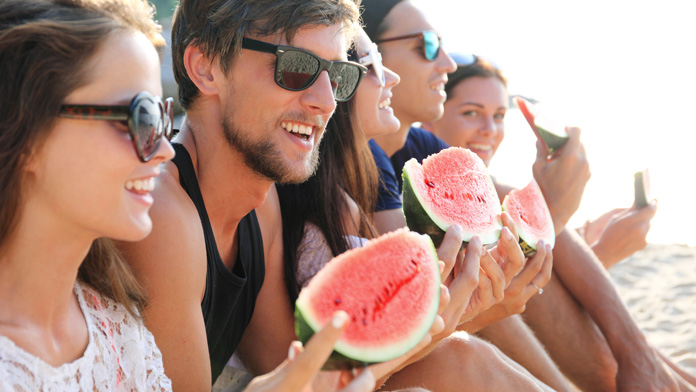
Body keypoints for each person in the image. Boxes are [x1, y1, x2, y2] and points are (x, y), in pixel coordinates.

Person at [363, 1, 696, 390]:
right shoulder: (363, 154)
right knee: (477, 330)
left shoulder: (417, 142)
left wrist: (635, 351)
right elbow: (431, 290)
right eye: (429, 46)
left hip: (455, 324)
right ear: (367, 55)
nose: (447, 64)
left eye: (500, 115)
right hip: (411, 346)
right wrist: (556, 213)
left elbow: (504, 215)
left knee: (639, 363)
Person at [115, 0, 390, 390]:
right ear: (205, 68)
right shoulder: (161, 212)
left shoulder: (261, 208)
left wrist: (441, 320)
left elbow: (291, 373)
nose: (327, 102)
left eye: (338, 76)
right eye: (296, 67)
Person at [269, 27, 555, 392]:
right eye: (369, 65)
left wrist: (458, 313)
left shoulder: (350, 190)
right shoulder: (310, 201)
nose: (390, 76)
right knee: (462, 355)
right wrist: (470, 315)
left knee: (464, 353)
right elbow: (309, 373)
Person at [0, 0, 174, 389]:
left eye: (162, 118)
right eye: (141, 117)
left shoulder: (120, 333)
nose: (165, 149)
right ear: (29, 132)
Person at [423, 54, 658, 269]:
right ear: (429, 117)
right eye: (471, 113)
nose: (490, 130)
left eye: (499, 116)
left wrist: (586, 234)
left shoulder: (489, 193)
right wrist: (604, 253)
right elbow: (501, 302)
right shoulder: (415, 201)